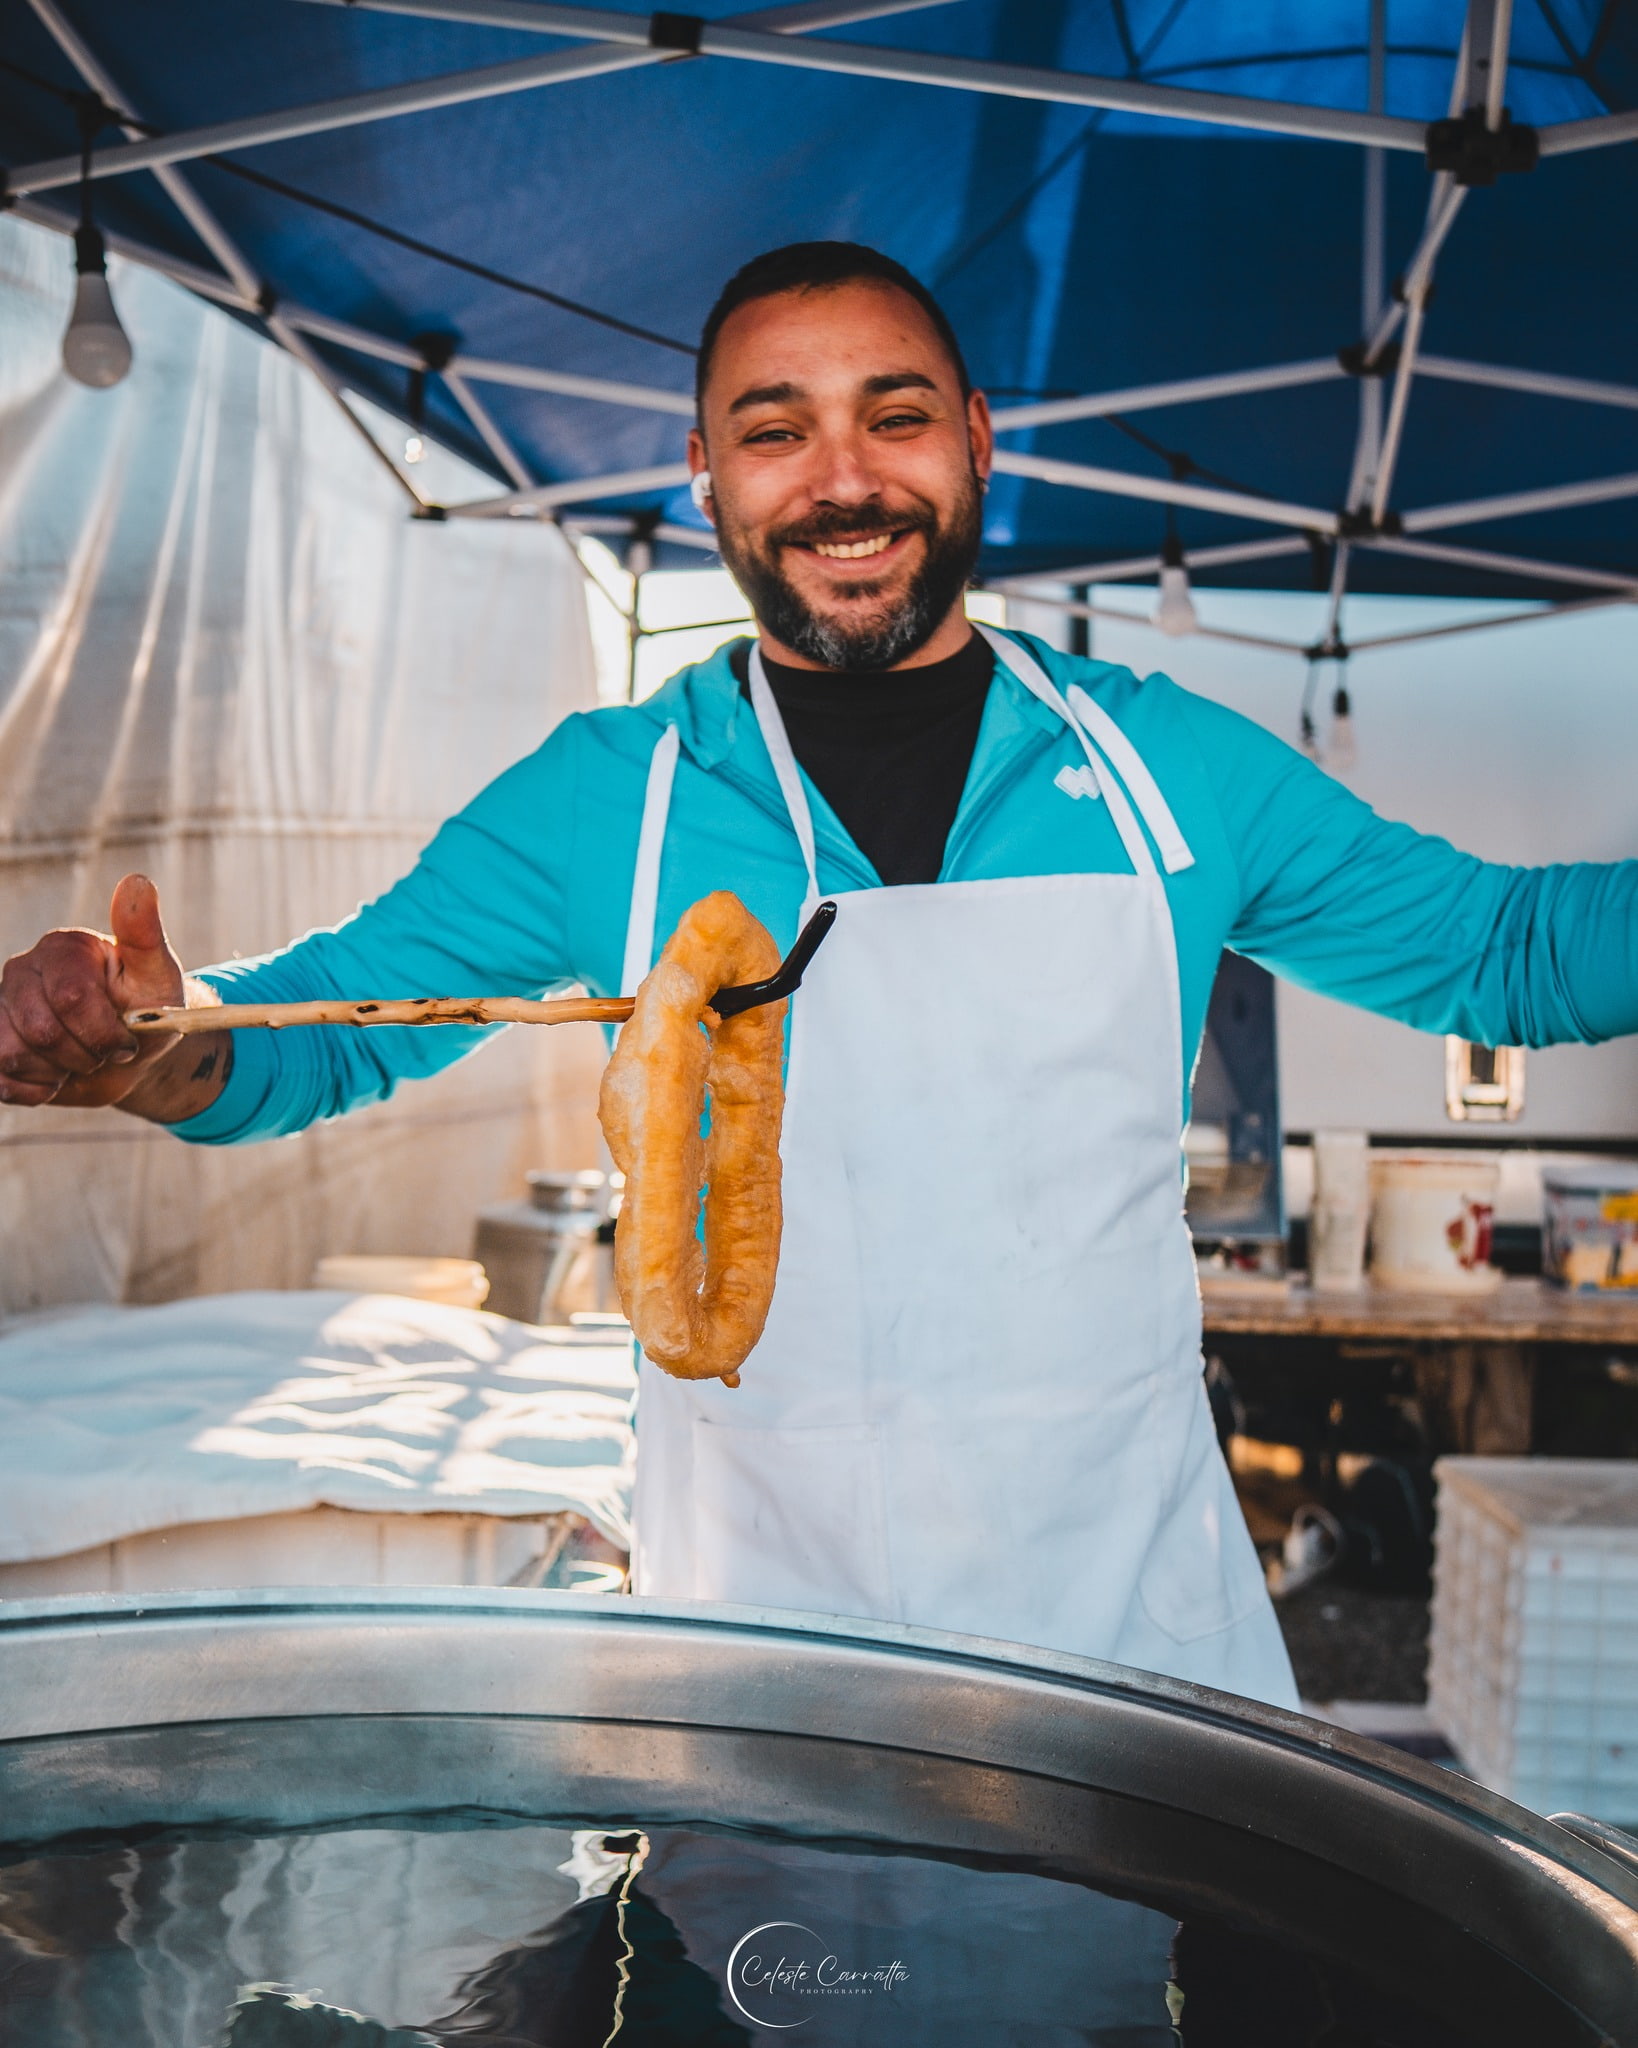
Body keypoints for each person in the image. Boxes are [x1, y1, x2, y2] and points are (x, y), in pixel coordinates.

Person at [6, 241, 1638, 1716]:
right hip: (762, 1621)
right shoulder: (613, 793)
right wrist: (156, 1044)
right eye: (777, 428)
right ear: (705, 472)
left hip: (1122, 1610)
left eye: (895, 415)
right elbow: (335, 1028)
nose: (843, 481)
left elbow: (1501, 954)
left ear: (979, 437)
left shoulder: (1167, 771)